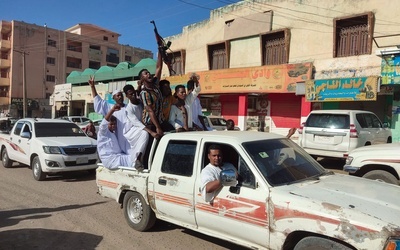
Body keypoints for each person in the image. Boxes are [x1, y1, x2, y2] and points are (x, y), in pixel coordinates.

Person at [88, 75, 130, 154]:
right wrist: (93, 87)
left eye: (121, 95)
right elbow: (98, 102)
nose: (120, 97)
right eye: (118, 95)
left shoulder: (128, 108)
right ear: (113, 98)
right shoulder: (110, 107)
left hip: (128, 139)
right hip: (116, 140)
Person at [123, 84, 159, 169]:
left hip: (142, 126)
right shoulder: (129, 108)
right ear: (127, 96)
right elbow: (137, 123)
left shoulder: (141, 102)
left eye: (134, 93)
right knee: (144, 133)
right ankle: (138, 159)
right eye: (130, 94)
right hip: (132, 130)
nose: (133, 95)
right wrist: (152, 132)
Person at [97, 105, 140, 170]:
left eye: (114, 124)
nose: (113, 126)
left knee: (133, 157)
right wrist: (112, 110)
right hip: (110, 159)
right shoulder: (103, 133)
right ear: (107, 124)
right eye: (111, 124)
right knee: (132, 161)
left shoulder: (114, 133)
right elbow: (103, 124)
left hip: (117, 157)